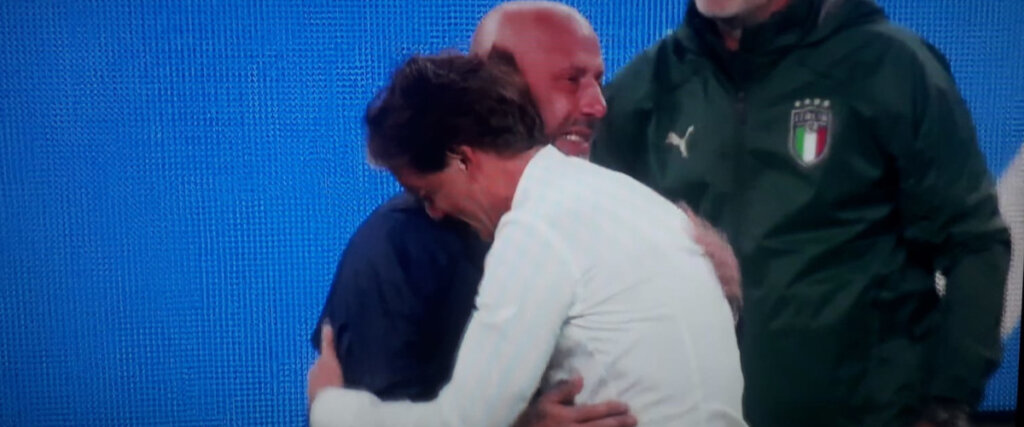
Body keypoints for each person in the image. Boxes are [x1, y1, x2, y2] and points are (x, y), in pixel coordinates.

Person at [310, 2, 742, 425]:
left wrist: (329, 407)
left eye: (430, 193)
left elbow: (466, 419)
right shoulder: (638, 204)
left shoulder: (537, 227)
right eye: (570, 80)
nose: (435, 210)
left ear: (463, 158)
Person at [590, 0, 1011, 425]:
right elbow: (585, 252)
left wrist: (946, 403)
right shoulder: (649, 83)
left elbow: (973, 242)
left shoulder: (888, 67)